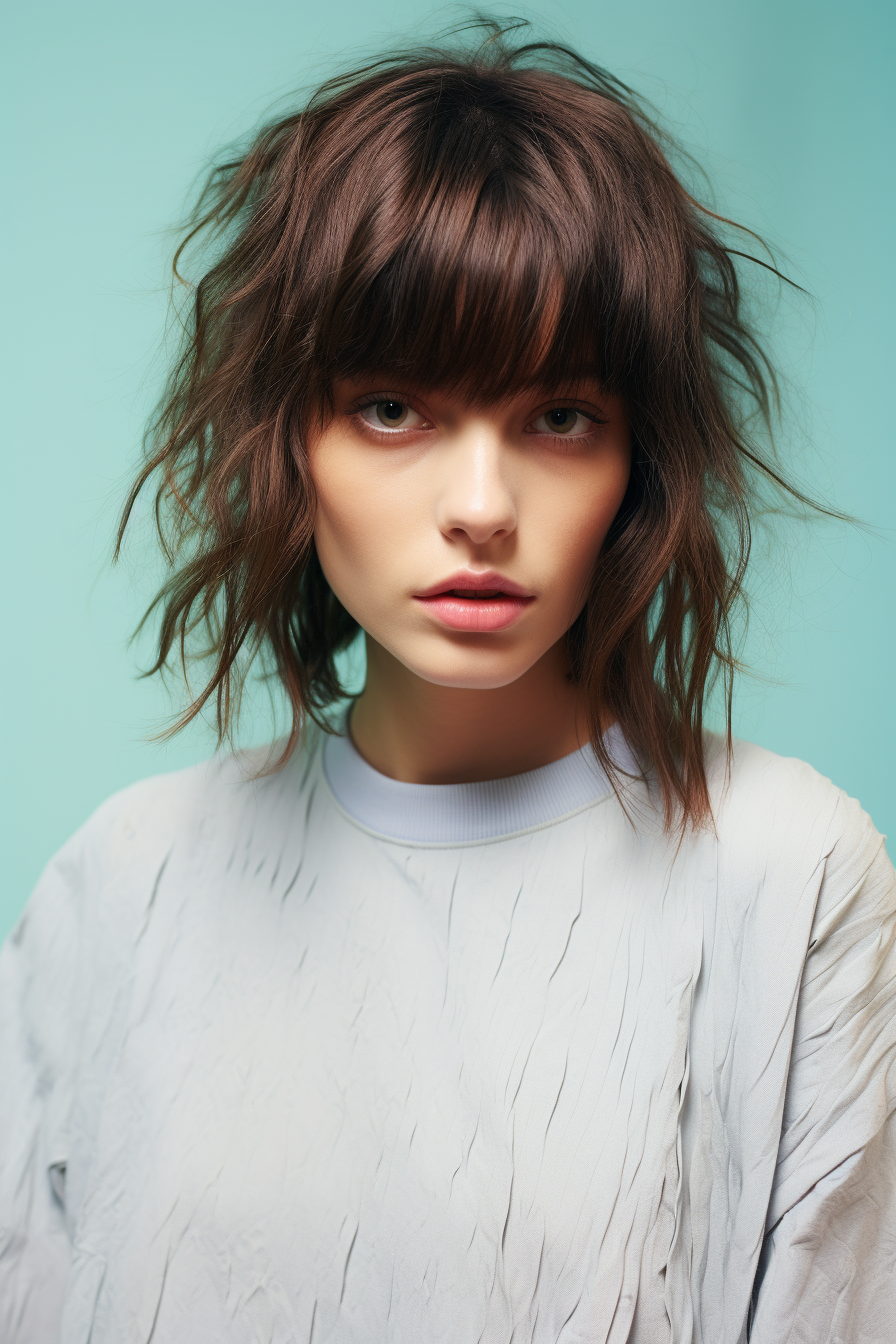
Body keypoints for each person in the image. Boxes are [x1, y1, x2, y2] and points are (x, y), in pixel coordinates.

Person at [1, 19, 893, 1343]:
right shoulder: (125, 882)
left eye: (559, 416)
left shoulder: (790, 871)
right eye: (392, 408)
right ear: (289, 442)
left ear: (636, 464)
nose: (481, 507)